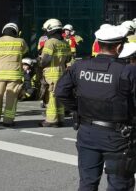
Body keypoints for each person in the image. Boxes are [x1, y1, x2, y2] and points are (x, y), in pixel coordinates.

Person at [56, 24, 136, 191]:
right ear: (119, 47)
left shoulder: (79, 66)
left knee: (87, 183)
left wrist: (79, 109)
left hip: (86, 132)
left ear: (98, 44)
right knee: (119, 184)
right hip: (118, 137)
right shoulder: (128, 70)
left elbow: (61, 92)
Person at [0, 22, 28, 127]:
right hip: (14, 75)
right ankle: (8, 121)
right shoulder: (21, 41)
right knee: (12, 98)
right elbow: (26, 53)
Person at [38, 19, 72, 127]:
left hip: (51, 73)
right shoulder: (65, 43)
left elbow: (46, 59)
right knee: (59, 96)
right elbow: (68, 59)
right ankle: (60, 118)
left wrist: (39, 62)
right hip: (62, 72)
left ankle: (51, 120)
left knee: (51, 96)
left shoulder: (50, 42)